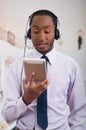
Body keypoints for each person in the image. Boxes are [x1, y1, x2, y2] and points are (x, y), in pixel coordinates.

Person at [2, 9, 86, 130]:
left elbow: (79, 113)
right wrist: (26, 99)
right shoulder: (16, 67)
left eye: (47, 31)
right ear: (29, 34)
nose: (41, 37)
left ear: (56, 33)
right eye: (36, 31)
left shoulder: (71, 66)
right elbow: (6, 116)